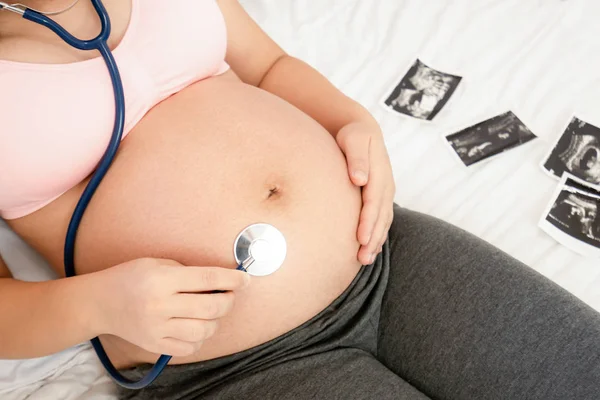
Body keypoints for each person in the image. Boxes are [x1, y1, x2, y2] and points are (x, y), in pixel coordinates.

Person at [0, 1, 599, 399]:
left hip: (386, 254)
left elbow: (269, 65)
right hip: (233, 364)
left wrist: (352, 119)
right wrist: (100, 305)